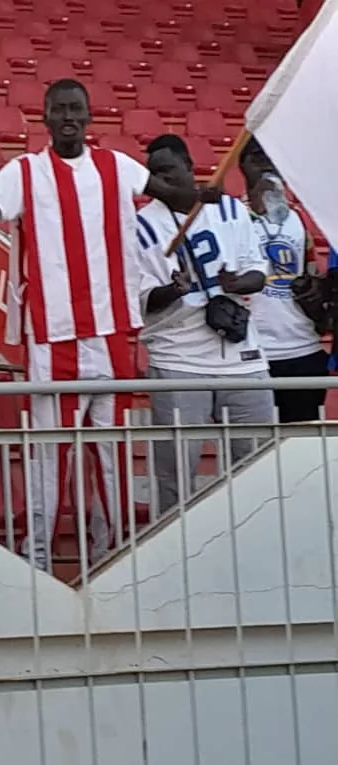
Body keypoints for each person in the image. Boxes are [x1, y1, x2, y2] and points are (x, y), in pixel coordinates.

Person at [0, 80, 218, 570]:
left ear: (90, 114)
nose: (69, 117)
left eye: (77, 109)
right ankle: (36, 561)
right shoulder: (23, 172)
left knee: (111, 453)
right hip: (53, 334)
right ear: (46, 117)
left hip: (112, 328)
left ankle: (111, 556)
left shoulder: (116, 164)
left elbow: (176, 199)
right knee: (50, 454)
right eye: (59, 110)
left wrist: (205, 191)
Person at [136, 134, 274, 516]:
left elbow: (259, 270)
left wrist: (237, 283)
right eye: (153, 175)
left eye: (167, 171)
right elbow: (141, 299)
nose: (160, 181)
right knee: (175, 474)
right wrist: (171, 290)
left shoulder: (230, 210)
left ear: (188, 165)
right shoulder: (141, 226)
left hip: (242, 356)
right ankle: (173, 557)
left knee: (257, 468)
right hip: (178, 358)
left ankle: (252, 545)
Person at [239, 138, 329, 422]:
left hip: (301, 348)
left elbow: (310, 274)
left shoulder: (299, 219)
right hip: (253, 352)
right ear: (242, 167)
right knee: (254, 449)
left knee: (300, 449)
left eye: (271, 157)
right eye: (256, 158)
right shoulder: (233, 217)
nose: (266, 165)